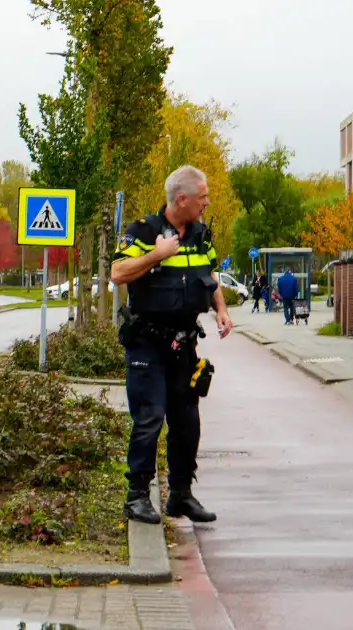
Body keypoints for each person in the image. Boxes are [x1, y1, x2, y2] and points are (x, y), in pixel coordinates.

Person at [111, 165, 233, 525]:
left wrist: (221, 310)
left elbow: (210, 276)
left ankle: (180, 494)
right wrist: (156, 255)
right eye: (203, 197)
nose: (207, 203)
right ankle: (136, 497)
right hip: (148, 342)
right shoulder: (144, 231)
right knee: (149, 418)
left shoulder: (200, 235)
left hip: (185, 343)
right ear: (182, 199)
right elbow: (118, 273)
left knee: (187, 422)